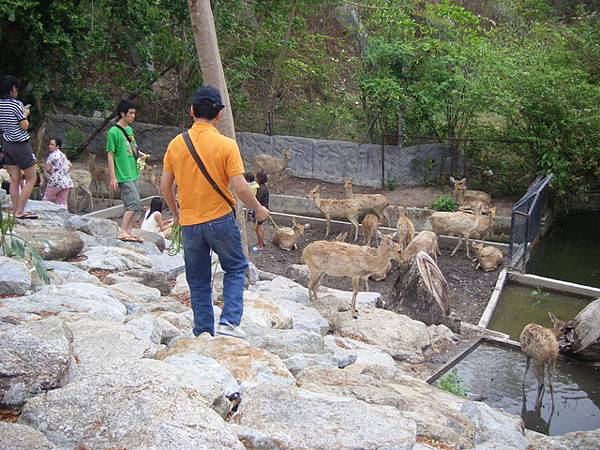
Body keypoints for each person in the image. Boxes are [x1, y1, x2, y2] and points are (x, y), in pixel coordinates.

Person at [161, 85, 269, 339]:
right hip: (220, 219)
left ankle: (203, 331)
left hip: (189, 224)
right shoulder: (226, 145)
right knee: (234, 267)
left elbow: (165, 186)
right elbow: (240, 188)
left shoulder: (176, 145)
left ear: (191, 111)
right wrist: (258, 208)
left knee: (197, 279)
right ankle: (229, 321)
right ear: (219, 115)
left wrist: (177, 214)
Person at [106, 99, 148, 242]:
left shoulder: (129, 130)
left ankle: (128, 231)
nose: (133, 116)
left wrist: (140, 154)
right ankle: (122, 230)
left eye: (134, 113)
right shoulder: (113, 132)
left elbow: (133, 146)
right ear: (122, 114)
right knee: (134, 203)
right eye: (130, 113)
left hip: (133, 171)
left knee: (130, 203)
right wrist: (113, 177)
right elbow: (110, 154)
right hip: (123, 173)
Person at [0, 75, 38, 219]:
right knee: (31, 178)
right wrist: (25, 114)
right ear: (13, 89)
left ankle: (15, 210)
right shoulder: (16, 104)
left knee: (14, 178)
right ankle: (20, 211)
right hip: (20, 144)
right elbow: (24, 126)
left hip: (7, 144)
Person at [42, 138, 73, 207]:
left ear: (57, 146)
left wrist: (53, 172)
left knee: (46, 200)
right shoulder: (63, 155)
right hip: (67, 181)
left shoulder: (52, 155)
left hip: (56, 181)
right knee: (62, 202)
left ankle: (43, 216)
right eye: (49, 144)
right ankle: (63, 216)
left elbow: (47, 169)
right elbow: (70, 166)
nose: (49, 146)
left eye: (52, 145)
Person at [252, 171, 269, 252]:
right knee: (260, 226)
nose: (256, 179)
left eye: (257, 177)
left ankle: (260, 245)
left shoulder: (261, 189)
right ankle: (262, 241)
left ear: (259, 178)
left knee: (257, 228)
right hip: (264, 210)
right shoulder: (264, 187)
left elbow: (257, 200)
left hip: (260, 211)